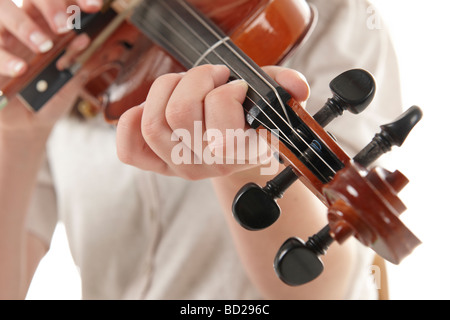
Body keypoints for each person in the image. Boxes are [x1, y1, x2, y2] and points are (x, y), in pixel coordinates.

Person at [0, 0, 403, 300]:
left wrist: (244, 167)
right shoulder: (77, 41)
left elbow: (321, 293)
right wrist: (17, 134)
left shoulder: (330, 15)